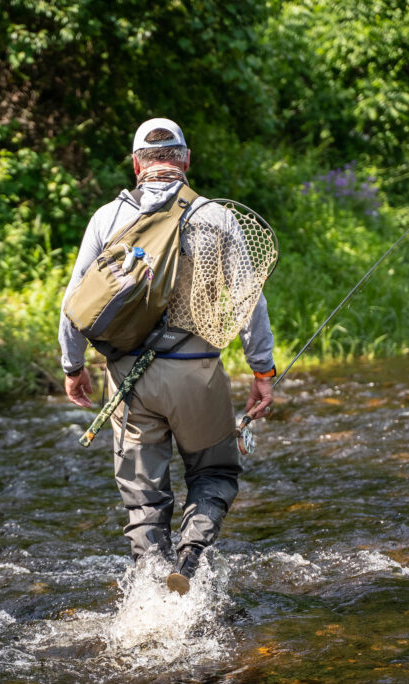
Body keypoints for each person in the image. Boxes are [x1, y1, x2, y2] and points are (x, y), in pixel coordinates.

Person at [58, 118, 277, 594]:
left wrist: (72, 368)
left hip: (129, 385)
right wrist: (263, 369)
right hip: (195, 375)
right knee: (214, 471)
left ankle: (151, 587)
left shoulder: (106, 219)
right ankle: (191, 560)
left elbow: (72, 302)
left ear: (138, 165)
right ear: (186, 161)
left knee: (143, 499)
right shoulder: (216, 216)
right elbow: (248, 300)